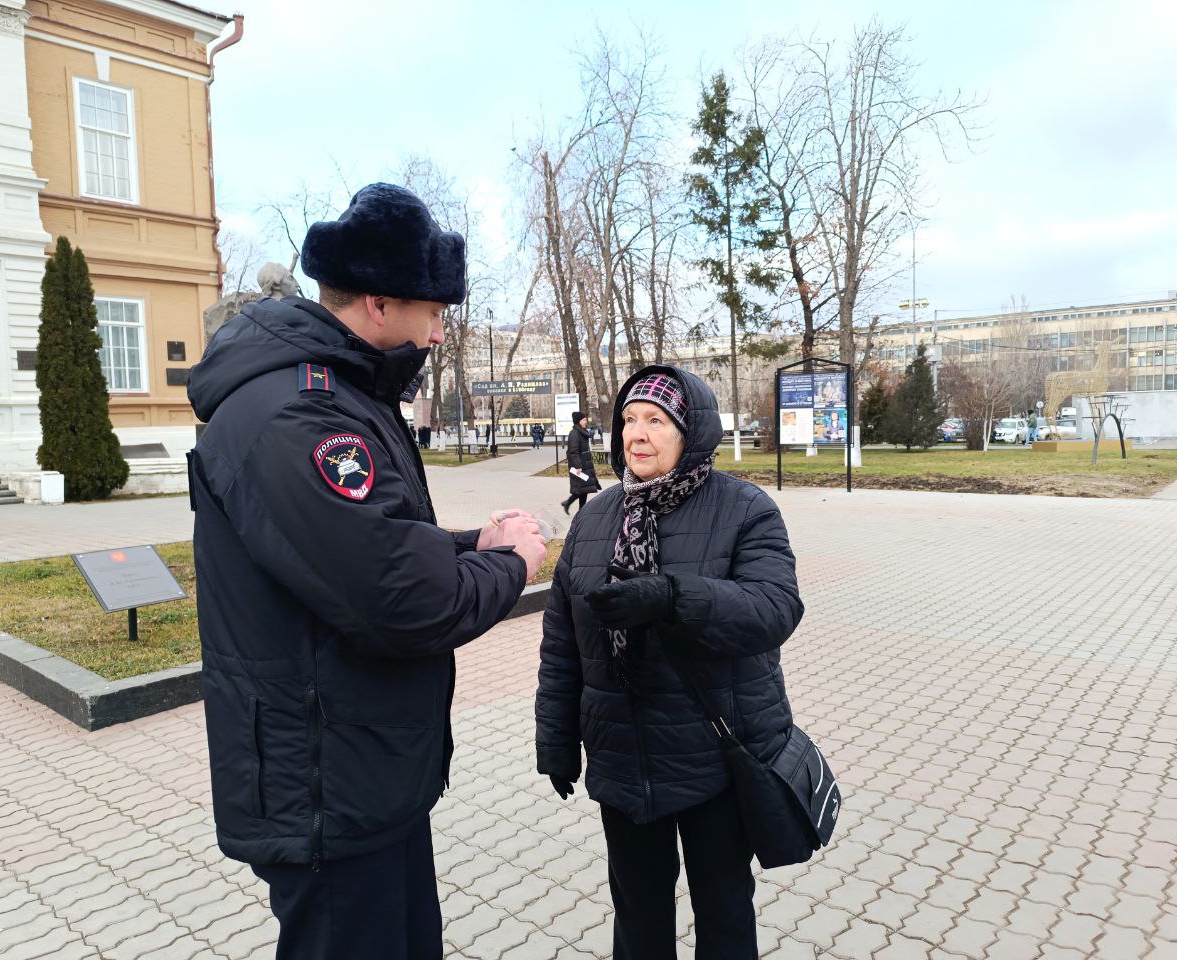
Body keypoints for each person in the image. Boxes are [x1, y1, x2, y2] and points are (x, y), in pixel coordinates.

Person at [187, 183, 547, 960]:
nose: (441, 334)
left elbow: (373, 543)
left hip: (360, 771)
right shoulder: (298, 414)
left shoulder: (334, 391)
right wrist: (512, 563)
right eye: (435, 313)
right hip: (327, 784)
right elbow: (405, 601)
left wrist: (471, 539)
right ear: (381, 305)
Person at [536, 366, 805, 959]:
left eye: (656, 421)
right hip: (624, 759)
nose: (638, 434)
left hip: (714, 754)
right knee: (637, 913)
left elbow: (775, 608)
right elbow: (562, 642)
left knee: (724, 909)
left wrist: (671, 596)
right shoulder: (596, 519)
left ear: (692, 432)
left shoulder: (744, 508)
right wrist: (555, 739)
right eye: (629, 420)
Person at [561, 411, 600, 515]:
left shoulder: (581, 431)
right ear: (578, 421)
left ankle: (575, 507)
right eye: (583, 420)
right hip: (579, 465)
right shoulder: (574, 433)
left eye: (585, 419)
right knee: (581, 488)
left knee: (584, 488)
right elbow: (573, 451)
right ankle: (578, 510)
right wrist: (578, 466)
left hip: (585, 463)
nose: (585, 421)